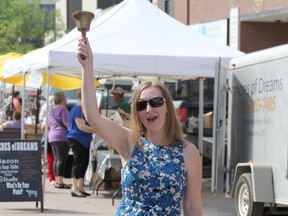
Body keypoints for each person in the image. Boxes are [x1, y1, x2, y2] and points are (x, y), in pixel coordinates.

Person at [76, 37, 203, 215]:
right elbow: (92, 117)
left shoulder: (188, 152)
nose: (149, 109)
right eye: (142, 105)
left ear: (167, 106)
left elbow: (192, 206)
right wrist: (87, 67)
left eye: (156, 102)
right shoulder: (129, 141)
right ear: (137, 113)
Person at [67, 90, 95, 198]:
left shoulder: (82, 109)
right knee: (78, 163)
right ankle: (74, 188)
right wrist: (96, 130)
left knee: (84, 163)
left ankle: (80, 186)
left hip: (84, 139)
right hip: (77, 138)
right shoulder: (78, 109)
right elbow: (81, 126)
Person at [48, 91, 70, 189]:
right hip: (61, 136)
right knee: (61, 159)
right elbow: (66, 123)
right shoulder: (63, 109)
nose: (66, 99)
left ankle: (57, 180)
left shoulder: (51, 110)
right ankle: (60, 181)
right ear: (62, 99)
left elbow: (49, 124)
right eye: (65, 97)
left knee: (56, 159)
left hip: (52, 135)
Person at [40, 95, 56, 185]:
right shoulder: (49, 114)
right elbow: (43, 126)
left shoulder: (52, 113)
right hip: (49, 138)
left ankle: (54, 177)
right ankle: (51, 177)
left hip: (54, 138)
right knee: (50, 159)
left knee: (54, 159)